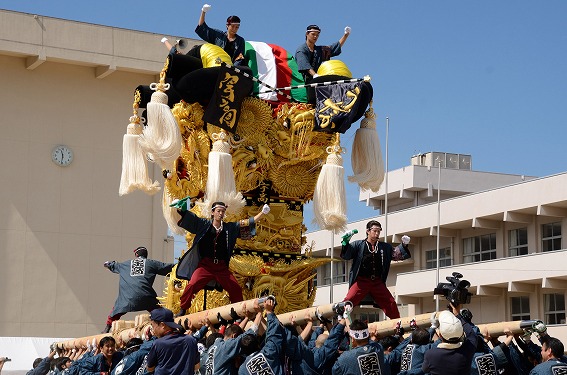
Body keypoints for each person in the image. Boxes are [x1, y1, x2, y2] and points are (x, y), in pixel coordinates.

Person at [175, 202, 270, 316]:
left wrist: (262, 213)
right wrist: (181, 209)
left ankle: (238, 314)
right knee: (192, 285)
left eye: (223, 211)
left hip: (221, 267)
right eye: (218, 211)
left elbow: (247, 222)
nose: (221, 213)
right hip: (205, 266)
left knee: (235, 289)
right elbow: (191, 218)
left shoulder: (229, 228)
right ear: (213, 212)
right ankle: (183, 309)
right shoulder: (204, 224)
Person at [340, 220, 411, 318]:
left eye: (379, 231)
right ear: (368, 231)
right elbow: (346, 255)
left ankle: (397, 326)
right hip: (361, 281)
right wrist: (345, 243)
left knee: (390, 303)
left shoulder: (384, 247)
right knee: (348, 301)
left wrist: (404, 245)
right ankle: (340, 321)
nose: (377, 233)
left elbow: (395, 255)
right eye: (375, 230)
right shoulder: (358, 245)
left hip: (377, 282)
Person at [103, 246, 175, 333]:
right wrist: (182, 265)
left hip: (127, 298)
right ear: (146, 255)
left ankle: (107, 327)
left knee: (116, 310)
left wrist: (108, 264)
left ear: (136, 254)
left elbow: (110, 264)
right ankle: (168, 324)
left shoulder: (125, 264)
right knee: (159, 311)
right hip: (146, 296)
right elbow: (167, 267)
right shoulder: (151, 263)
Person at [422, 303, 477, 375]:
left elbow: (424, 369)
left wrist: (433, 327)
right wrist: (458, 315)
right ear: (461, 334)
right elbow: (472, 335)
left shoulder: (431, 354)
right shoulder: (467, 351)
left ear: (440, 335)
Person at [146, 307, 199, 375]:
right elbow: (197, 366)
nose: (153, 330)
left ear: (162, 325)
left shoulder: (158, 344)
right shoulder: (191, 340)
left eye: (153, 326)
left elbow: (150, 368)